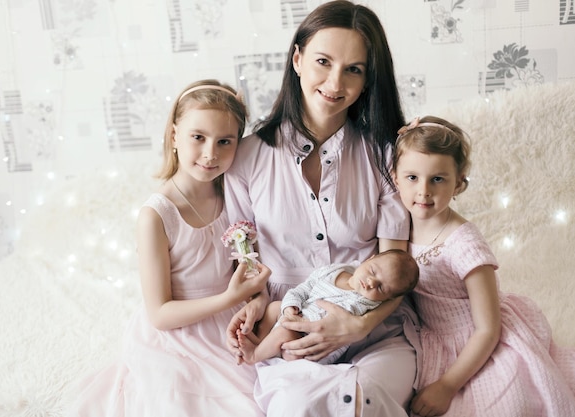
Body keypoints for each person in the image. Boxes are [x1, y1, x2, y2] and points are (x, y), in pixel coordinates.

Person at [224, 1, 421, 416]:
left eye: (354, 69)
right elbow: (247, 258)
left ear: (368, 79)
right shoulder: (246, 158)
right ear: (297, 59)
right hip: (289, 333)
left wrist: (358, 325)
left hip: (375, 331)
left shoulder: (385, 157)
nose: (335, 82)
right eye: (323, 62)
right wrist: (258, 305)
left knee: (365, 397)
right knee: (299, 403)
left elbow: (395, 264)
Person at [71, 80, 271, 417]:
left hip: (230, 325)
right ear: (175, 134)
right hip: (179, 335)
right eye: (198, 137)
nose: (211, 153)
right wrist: (229, 298)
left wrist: (258, 298)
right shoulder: (156, 215)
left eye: (225, 142)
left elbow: (250, 271)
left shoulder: (235, 195)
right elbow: (160, 314)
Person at [392, 115, 575, 417]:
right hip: (432, 339)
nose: (423, 191)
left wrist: (448, 384)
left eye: (437, 179)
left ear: (459, 183)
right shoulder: (396, 226)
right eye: (412, 178)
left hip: (482, 340)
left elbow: (488, 328)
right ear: (395, 177)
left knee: (503, 406)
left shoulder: (463, 243)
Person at [237, 249, 419, 365]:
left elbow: (331, 326)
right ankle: (260, 341)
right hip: (297, 316)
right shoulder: (335, 270)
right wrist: (289, 307)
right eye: (372, 271)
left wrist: (297, 322)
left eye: (380, 287)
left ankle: (254, 356)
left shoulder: (362, 303)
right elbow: (304, 288)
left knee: (286, 332)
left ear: (388, 298)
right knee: (275, 307)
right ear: (368, 259)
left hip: (312, 343)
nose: (371, 282)